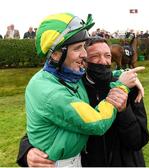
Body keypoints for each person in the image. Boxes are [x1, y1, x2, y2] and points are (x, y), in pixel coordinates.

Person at [18, 13, 133, 167]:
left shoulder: (68, 74)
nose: (85, 54)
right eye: (77, 48)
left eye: (84, 47)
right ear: (57, 54)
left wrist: (122, 74)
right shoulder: (51, 92)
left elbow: (100, 73)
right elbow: (97, 123)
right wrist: (121, 86)